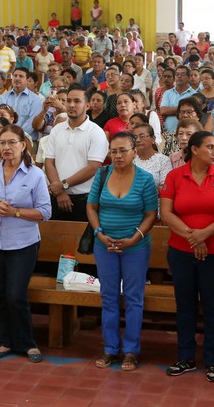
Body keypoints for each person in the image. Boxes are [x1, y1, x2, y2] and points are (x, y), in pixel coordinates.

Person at [160, 130, 214, 382]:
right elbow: (166, 213)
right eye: (209, 147)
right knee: (184, 305)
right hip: (181, 252)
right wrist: (193, 237)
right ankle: (185, 357)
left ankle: (212, 360)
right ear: (194, 150)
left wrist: (204, 234)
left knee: (213, 306)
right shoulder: (175, 176)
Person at [0, 125, 52, 362]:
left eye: (12, 143)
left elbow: (45, 212)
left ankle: (27, 344)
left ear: (23, 145)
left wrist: (14, 212)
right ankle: (6, 342)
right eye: (2, 143)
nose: (6, 147)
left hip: (22, 244)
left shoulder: (35, 175)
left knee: (16, 294)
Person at [87, 132, 158, 371]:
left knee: (133, 297)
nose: (117, 155)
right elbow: (91, 206)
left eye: (123, 150)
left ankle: (130, 350)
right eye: (113, 151)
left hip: (135, 247)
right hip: (104, 245)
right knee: (108, 296)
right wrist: (99, 233)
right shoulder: (102, 174)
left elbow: (151, 215)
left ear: (134, 152)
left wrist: (133, 238)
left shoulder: (145, 179)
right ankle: (110, 348)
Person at [44, 85, 107, 221]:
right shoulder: (56, 130)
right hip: (57, 196)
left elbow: (93, 167)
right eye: (69, 101)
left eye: (77, 101)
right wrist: (59, 191)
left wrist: (63, 185)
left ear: (87, 105)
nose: (72, 105)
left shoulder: (96, 132)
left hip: (85, 199)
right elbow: (49, 162)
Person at [132, 123, 172, 188]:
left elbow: (165, 187)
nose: (138, 140)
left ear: (153, 138)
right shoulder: (130, 159)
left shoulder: (163, 160)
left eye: (142, 136)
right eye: (135, 137)